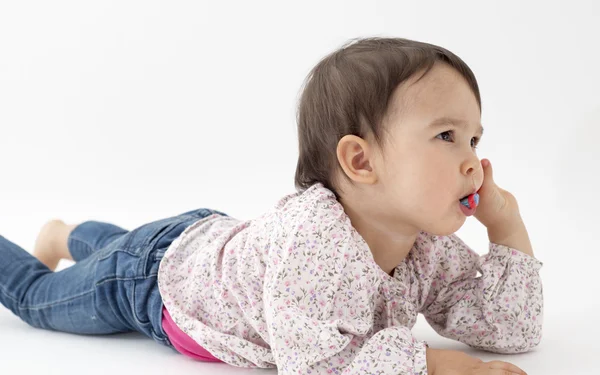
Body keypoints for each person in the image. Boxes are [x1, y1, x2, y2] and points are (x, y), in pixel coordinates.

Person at [0, 37, 542, 375]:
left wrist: (507, 228)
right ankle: (56, 240)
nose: (474, 161)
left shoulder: (428, 246)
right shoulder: (314, 243)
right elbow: (316, 364)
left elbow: (509, 330)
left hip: (204, 242)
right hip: (150, 286)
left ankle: (65, 232)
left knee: (131, 246)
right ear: (360, 161)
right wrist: (431, 365)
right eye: (447, 135)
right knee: (37, 297)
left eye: (474, 139)